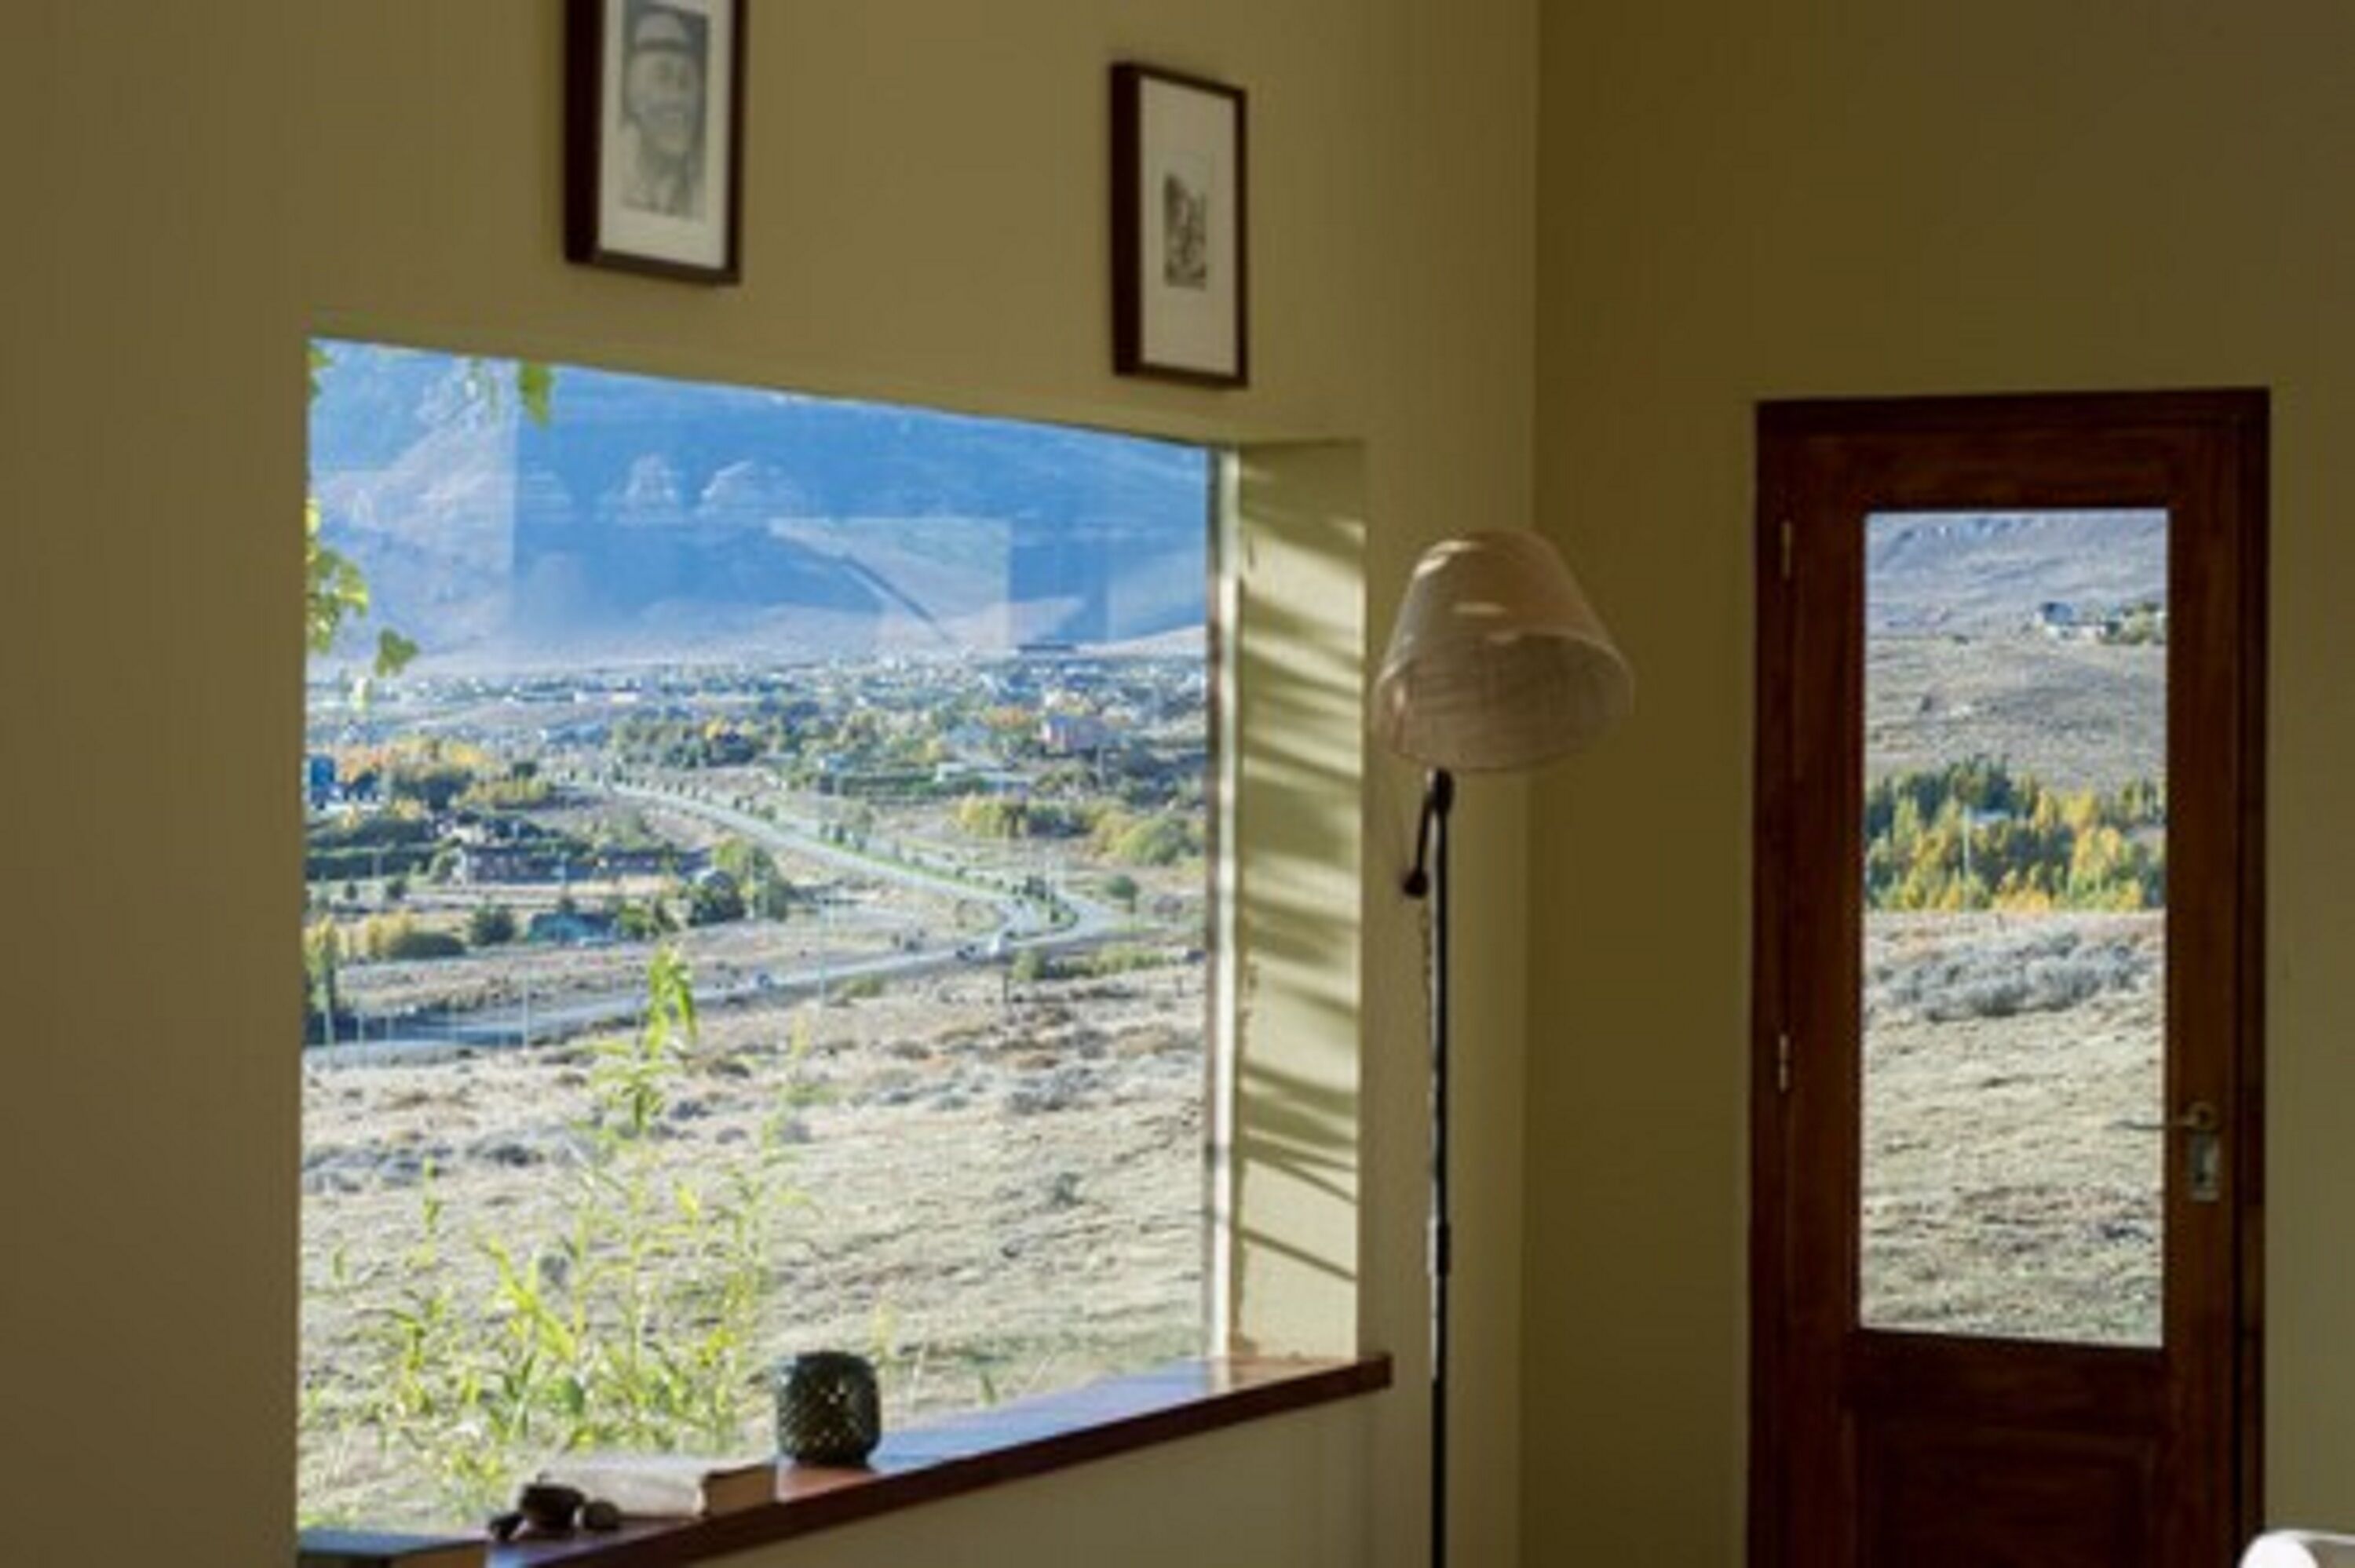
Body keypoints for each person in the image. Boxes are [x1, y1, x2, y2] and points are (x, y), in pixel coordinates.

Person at [616, 3, 706, 220]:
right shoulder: (615, 171)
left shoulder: (705, 180)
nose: (678, 98)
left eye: (686, 82)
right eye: (662, 78)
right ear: (633, 95)